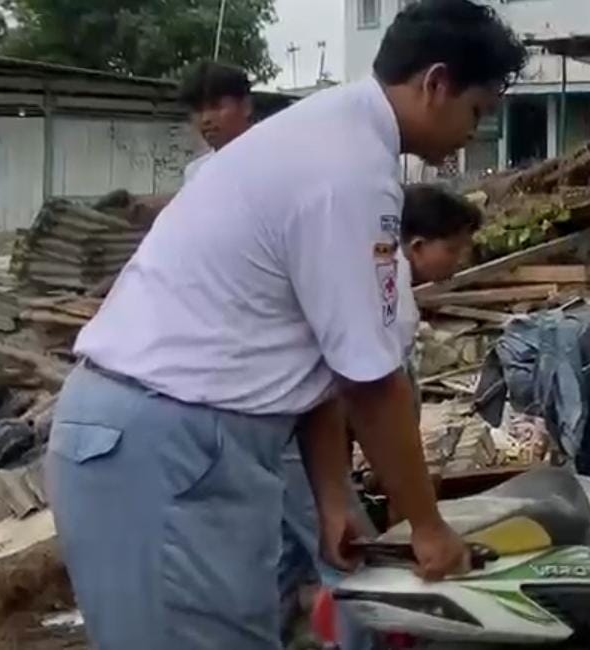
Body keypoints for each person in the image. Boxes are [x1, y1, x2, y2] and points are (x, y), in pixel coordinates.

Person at [44, 1, 527, 649]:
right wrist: (427, 527)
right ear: (435, 83)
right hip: (164, 440)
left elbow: (321, 360)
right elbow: (371, 382)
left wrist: (331, 499)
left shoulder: (336, 138)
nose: (475, 131)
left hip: (186, 438)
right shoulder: (347, 171)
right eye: (477, 111)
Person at [280, 184, 482, 649]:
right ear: (416, 246)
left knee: (292, 550)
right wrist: (419, 517)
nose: (458, 261)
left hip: (298, 428)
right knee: (347, 559)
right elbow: (371, 399)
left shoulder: (379, 281)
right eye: (452, 248)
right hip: (297, 430)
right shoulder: (393, 297)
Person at [178, 60, 254, 182]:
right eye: (198, 110)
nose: (205, 119)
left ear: (246, 106)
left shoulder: (275, 161)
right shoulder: (196, 173)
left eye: (216, 106)